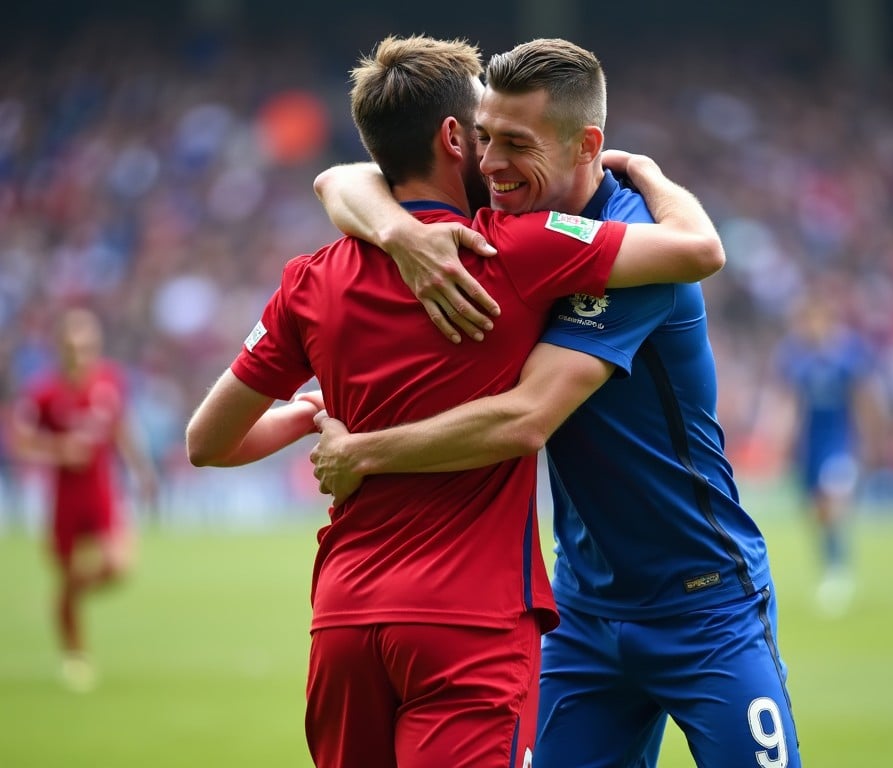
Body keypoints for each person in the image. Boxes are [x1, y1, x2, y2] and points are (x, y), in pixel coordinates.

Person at [185, 35, 723, 768]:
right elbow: (696, 250)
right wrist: (649, 173)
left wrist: (310, 416)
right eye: (484, 133)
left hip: (343, 617)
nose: (496, 156)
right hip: (467, 620)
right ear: (452, 139)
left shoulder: (308, 280)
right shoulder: (514, 248)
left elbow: (207, 443)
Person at [310, 37, 802, 768]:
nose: (490, 164)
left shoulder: (633, 247)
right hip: (582, 612)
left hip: (703, 604)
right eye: (482, 139)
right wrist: (401, 233)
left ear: (587, 148)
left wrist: (363, 452)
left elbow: (527, 416)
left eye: (515, 142)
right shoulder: (511, 202)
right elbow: (339, 177)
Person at [8, 306, 157, 692]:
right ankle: (75, 654)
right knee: (68, 573)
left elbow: (122, 428)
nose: (81, 352)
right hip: (65, 498)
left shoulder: (109, 381)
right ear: (61, 348)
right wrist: (60, 450)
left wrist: (141, 470)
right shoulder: (44, 392)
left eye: (87, 344)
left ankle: (69, 597)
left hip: (102, 490)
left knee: (118, 566)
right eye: (73, 345)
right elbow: (21, 442)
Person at [773, 290, 885, 616]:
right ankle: (831, 565)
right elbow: (791, 404)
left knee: (832, 500)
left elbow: (865, 400)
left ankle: (839, 572)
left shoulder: (849, 356)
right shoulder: (796, 358)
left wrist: (872, 440)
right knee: (817, 513)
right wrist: (782, 442)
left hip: (840, 442)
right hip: (811, 445)